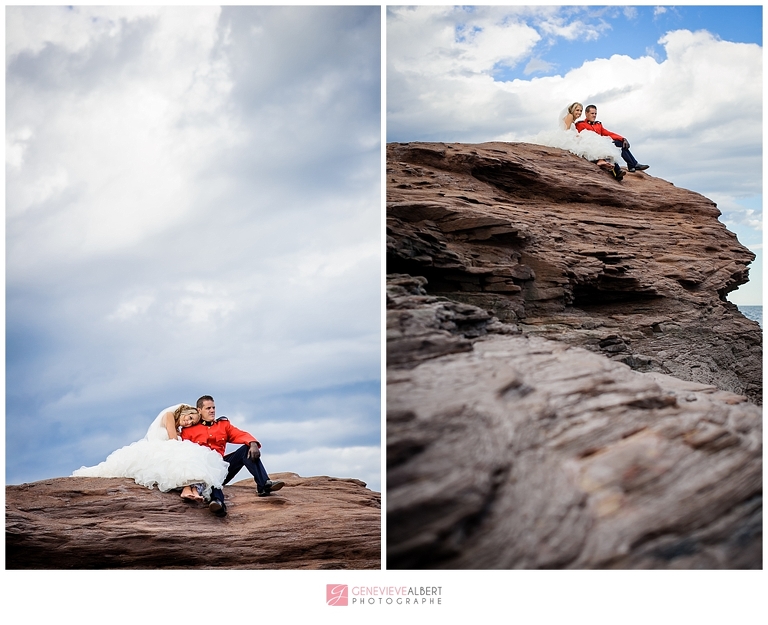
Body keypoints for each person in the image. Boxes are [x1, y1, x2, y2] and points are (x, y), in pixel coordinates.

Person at [72, 404, 229, 501]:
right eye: (189, 418)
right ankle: (188, 489)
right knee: (187, 458)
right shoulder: (169, 416)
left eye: (192, 422)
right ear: (183, 412)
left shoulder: (179, 427)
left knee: (193, 460)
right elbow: (173, 439)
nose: (188, 423)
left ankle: (190, 490)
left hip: (169, 449)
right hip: (160, 449)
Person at [181, 395, 284, 517]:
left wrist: (253, 443)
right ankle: (217, 503)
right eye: (208, 408)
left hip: (223, 468)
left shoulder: (223, 425)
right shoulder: (188, 431)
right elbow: (183, 453)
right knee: (212, 474)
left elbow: (239, 434)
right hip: (202, 471)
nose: (212, 410)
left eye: (213, 407)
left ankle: (263, 485)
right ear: (199, 410)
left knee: (246, 449)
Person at [529, 102, 625, 180]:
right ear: (572, 110)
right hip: (566, 136)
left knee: (590, 141)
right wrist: (575, 136)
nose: (579, 112)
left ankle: (601, 161)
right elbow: (566, 130)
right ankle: (600, 161)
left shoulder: (574, 120)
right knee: (589, 142)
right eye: (577, 110)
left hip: (572, 135)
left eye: (580, 111)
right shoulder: (570, 116)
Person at [575, 104, 649, 173]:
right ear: (586, 114)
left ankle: (632, 165)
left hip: (603, 144)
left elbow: (608, 133)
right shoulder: (580, 124)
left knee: (621, 143)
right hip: (593, 148)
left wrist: (623, 138)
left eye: (595, 114)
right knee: (610, 150)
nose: (594, 115)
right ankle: (622, 170)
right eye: (592, 113)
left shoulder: (598, 124)